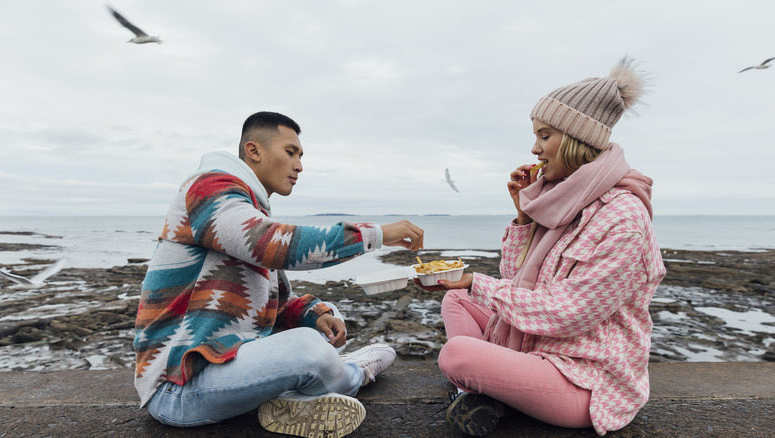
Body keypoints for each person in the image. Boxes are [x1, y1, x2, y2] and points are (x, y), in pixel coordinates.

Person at [134, 111, 424, 437]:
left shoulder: (246, 207)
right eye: (291, 152)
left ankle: (299, 396)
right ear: (254, 150)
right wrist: (376, 235)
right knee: (309, 352)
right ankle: (353, 373)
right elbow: (271, 243)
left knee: (324, 325)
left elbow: (270, 306)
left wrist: (313, 314)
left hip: (225, 362)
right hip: (179, 387)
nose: (299, 165)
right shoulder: (209, 190)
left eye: (301, 156)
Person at [416, 58, 666, 436]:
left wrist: (475, 282)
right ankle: (493, 390)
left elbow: (568, 315)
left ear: (578, 137)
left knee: (456, 355)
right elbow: (517, 282)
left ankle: (483, 390)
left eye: (545, 135)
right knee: (455, 301)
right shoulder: (565, 203)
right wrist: (523, 218)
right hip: (538, 346)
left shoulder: (623, 219)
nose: (534, 149)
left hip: (586, 377)